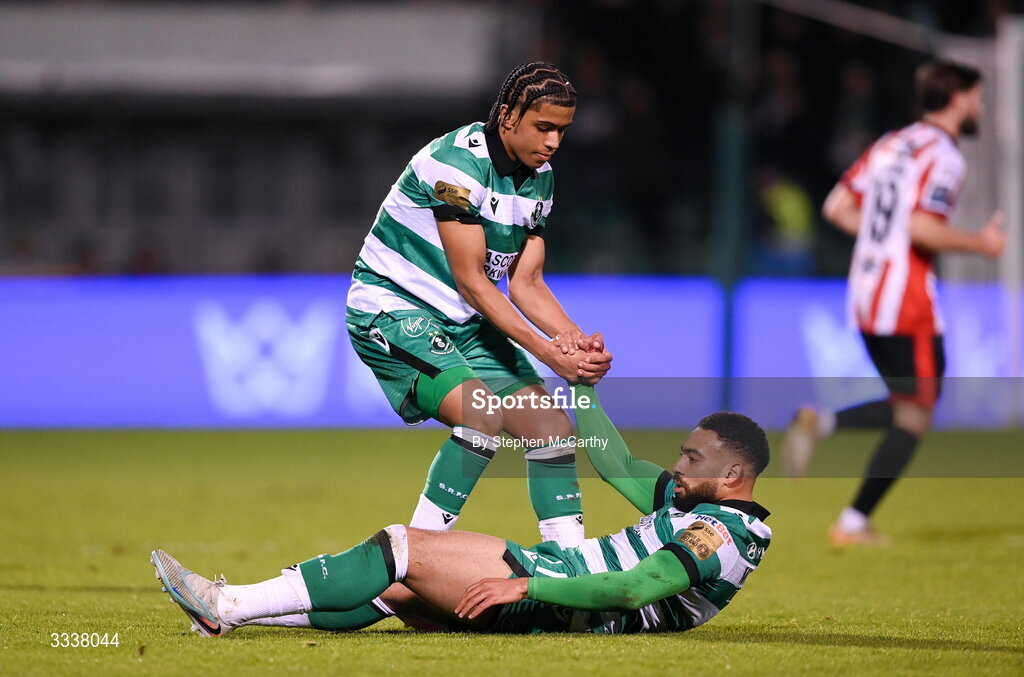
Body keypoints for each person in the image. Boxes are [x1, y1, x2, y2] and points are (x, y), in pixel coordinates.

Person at [151, 385, 772, 636]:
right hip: (555, 591)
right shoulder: (695, 503)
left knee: (403, 547)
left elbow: (634, 588)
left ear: (733, 475)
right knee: (395, 590)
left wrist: (527, 581)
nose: (679, 468)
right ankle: (242, 611)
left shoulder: (720, 536)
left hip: (556, 602)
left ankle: (226, 608)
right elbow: (614, 461)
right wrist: (577, 381)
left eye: (692, 459)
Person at [345, 61, 612, 548]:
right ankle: (416, 564)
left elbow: (526, 281)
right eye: (544, 127)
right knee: (481, 416)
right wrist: (548, 353)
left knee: (551, 427)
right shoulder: (456, 165)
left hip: (462, 322)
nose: (553, 142)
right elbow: (472, 283)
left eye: (562, 131)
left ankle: (572, 566)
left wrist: (572, 340)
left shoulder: (540, 178)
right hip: (394, 309)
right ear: (508, 116)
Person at [783, 60, 1006, 546]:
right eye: (978, 97)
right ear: (957, 98)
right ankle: (853, 523)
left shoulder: (890, 143)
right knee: (918, 412)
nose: (981, 107)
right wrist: (982, 244)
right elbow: (921, 227)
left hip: (864, 293)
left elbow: (837, 207)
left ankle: (825, 422)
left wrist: (882, 244)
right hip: (906, 300)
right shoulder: (945, 156)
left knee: (912, 400)